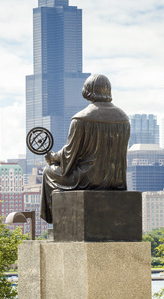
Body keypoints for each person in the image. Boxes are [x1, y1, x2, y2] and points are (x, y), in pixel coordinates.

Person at [40, 74, 130, 223]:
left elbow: (70, 154)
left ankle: (59, 223)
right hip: (115, 180)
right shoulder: (124, 118)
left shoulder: (80, 119)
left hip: (88, 178)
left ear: (87, 91)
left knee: (48, 172)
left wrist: (54, 157)